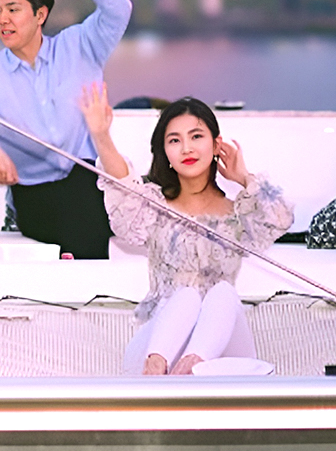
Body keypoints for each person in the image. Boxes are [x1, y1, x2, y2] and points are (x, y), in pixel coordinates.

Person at [82, 86, 294, 375]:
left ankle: (191, 369)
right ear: (166, 152)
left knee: (223, 293)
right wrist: (101, 136)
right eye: (174, 140)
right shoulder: (153, 209)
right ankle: (160, 372)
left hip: (218, 359)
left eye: (196, 137)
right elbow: (124, 187)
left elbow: (281, 216)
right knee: (186, 296)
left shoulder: (237, 214)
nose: (187, 148)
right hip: (159, 351)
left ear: (216, 144)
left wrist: (244, 177)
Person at [0, 0, 132, 258]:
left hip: (88, 179)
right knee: (77, 220)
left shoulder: (80, 45)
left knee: (97, 203)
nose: (3, 20)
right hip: (33, 191)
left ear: (40, 15)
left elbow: (119, 10)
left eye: (13, 9)